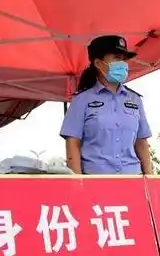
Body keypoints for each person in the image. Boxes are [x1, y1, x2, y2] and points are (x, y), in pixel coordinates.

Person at [60, 36, 152, 175]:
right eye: (117, 58)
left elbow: (141, 142)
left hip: (132, 178)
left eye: (124, 59)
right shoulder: (81, 100)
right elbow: (73, 142)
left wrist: (150, 178)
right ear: (98, 63)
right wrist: (78, 181)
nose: (123, 64)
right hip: (96, 179)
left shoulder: (135, 99)